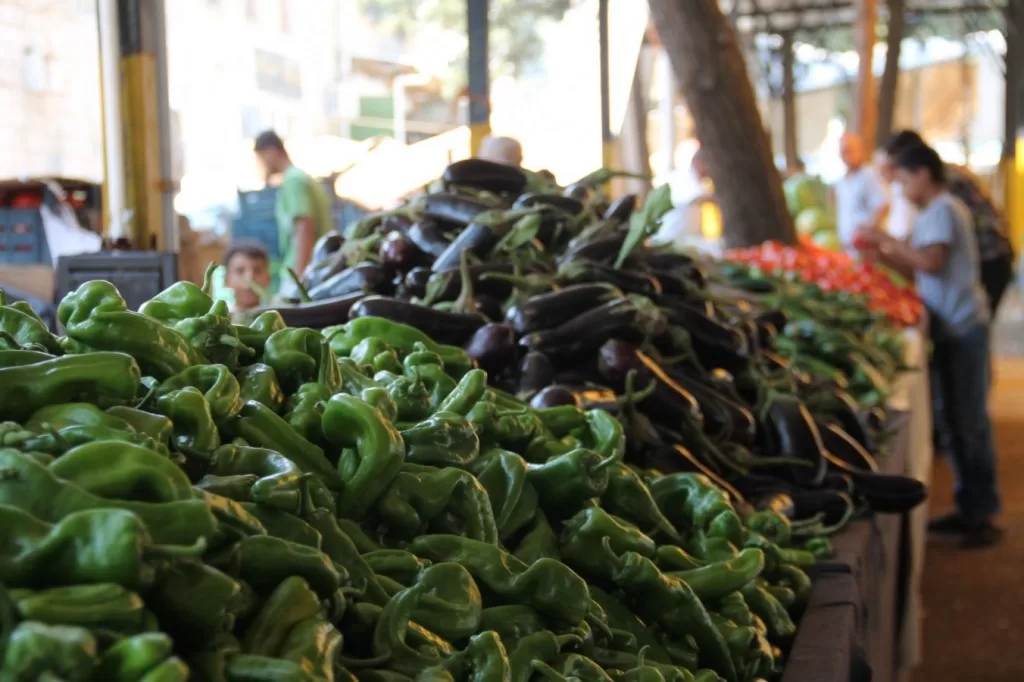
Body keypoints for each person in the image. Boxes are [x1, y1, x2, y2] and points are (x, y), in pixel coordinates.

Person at [855, 143, 1002, 548]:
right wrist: (882, 255)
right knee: (955, 422)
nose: (900, 189)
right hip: (950, 326)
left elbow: (930, 262)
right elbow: (917, 265)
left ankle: (982, 513)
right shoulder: (932, 212)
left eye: (903, 179)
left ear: (922, 174)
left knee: (969, 423)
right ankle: (968, 506)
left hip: (963, 327)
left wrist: (884, 237)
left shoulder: (944, 209)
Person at [885, 130, 1015, 319]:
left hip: (991, 254)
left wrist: (892, 244)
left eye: (900, 165)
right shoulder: (936, 189)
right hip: (984, 253)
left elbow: (932, 258)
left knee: (969, 317)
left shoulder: (943, 193)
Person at [253, 131, 333, 293]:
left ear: (272, 151)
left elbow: (305, 225)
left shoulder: (293, 180)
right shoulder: (304, 179)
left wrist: (300, 273)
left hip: (305, 271)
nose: (262, 164)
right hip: (317, 268)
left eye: (262, 157)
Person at [834, 132, 888, 256]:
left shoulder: (869, 175)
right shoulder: (841, 181)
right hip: (847, 248)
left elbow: (883, 205)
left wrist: (866, 232)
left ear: (860, 150)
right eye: (844, 151)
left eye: (850, 150)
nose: (847, 154)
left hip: (865, 248)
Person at [222, 240, 272, 322]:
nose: (249, 278)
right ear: (226, 280)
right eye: (240, 271)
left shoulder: (278, 318)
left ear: (268, 278)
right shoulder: (221, 321)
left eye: (257, 271)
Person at [873, 148, 916, 240]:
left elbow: (904, 226)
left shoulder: (903, 188)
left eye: (885, 169)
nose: (881, 174)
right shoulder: (892, 187)